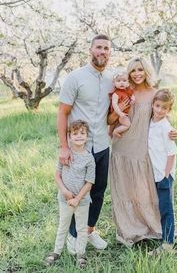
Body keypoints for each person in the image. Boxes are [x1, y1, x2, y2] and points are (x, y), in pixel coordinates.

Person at [57, 34, 129, 252]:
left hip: (102, 146)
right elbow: (63, 113)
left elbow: (108, 117)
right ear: (90, 50)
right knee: (77, 191)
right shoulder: (75, 78)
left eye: (107, 48)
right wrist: (64, 146)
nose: (103, 52)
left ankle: (88, 231)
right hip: (79, 148)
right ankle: (72, 235)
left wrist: (120, 114)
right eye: (99, 47)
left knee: (98, 191)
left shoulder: (111, 79)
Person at [108, 56, 177, 246]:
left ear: (146, 72)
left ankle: (153, 225)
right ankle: (130, 227)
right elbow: (110, 120)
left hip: (144, 147)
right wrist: (119, 110)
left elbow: (163, 116)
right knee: (126, 188)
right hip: (123, 146)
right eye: (133, 70)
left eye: (140, 70)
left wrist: (172, 132)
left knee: (145, 188)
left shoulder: (155, 93)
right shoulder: (123, 92)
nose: (137, 74)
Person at [45, 120, 95, 267]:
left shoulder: (89, 158)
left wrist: (77, 198)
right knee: (63, 226)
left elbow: (89, 182)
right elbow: (57, 175)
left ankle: (81, 254)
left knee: (81, 228)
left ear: (87, 136)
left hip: (82, 200)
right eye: (75, 133)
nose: (79, 136)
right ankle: (56, 252)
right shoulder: (65, 155)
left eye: (82, 133)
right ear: (69, 137)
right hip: (64, 199)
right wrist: (65, 192)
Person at [148, 89, 177, 255]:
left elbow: (172, 153)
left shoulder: (165, 126)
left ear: (169, 110)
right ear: (153, 105)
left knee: (166, 208)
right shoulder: (151, 121)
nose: (159, 110)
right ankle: (166, 234)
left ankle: (167, 244)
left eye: (164, 108)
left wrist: (166, 176)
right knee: (161, 206)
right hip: (155, 173)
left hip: (164, 175)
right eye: (157, 106)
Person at [109, 71, 135, 137]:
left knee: (114, 124)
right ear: (114, 83)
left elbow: (131, 96)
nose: (121, 83)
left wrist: (133, 100)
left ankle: (111, 131)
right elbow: (114, 105)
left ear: (128, 82)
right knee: (127, 124)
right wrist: (120, 114)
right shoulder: (116, 94)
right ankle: (116, 131)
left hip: (124, 113)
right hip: (120, 114)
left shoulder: (127, 91)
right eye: (118, 81)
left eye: (124, 80)